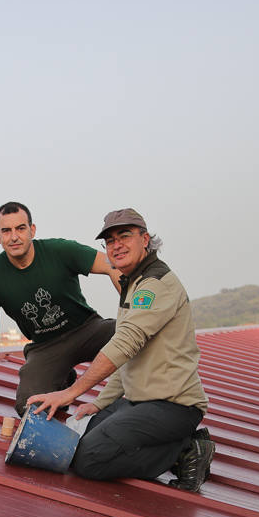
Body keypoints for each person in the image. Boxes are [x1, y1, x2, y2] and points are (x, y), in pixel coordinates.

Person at [26, 208, 214, 491]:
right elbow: (129, 359)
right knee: (82, 432)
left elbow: (124, 344)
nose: (117, 245)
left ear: (145, 239)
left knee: (88, 460)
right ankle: (169, 445)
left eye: (125, 236)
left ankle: (186, 450)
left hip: (174, 406)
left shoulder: (155, 284)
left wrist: (70, 392)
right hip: (142, 400)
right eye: (110, 241)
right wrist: (99, 402)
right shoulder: (133, 283)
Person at [0, 202, 120, 416]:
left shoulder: (59, 250)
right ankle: (60, 379)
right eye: (6, 231)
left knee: (134, 333)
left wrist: (130, 307)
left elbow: (111, 265)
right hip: (45, 346)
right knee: (29, 407)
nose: (14, 237)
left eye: (21, 228)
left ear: (32, 230)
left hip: (87, 329)